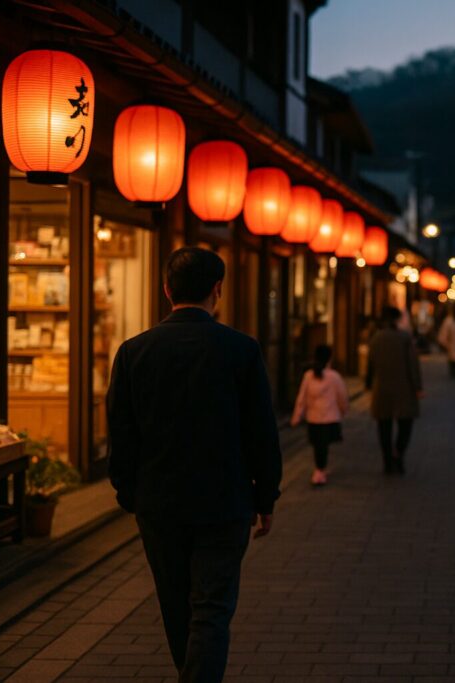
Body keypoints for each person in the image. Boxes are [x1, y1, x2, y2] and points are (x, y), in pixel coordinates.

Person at [108, 247, 282, 682]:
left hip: (159, 504)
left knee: (175, 603)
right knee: (211, 609)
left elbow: (121, 433)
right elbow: (262, 430)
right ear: (217, 290)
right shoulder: (240, 350)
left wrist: (129, 494)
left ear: (167, 290)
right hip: (225, 501)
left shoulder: (134, 352)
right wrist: (266, 496)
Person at [367, 305, 423, 474]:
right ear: (397, 320)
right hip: (404, 387)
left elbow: (370, 365)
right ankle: (398, 454)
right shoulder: (405, 338)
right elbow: (413, 365)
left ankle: (387, 460)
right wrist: (417, 387)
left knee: (384, 425)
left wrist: (369, 383)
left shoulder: (375, 338)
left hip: (381, 387)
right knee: (405, 423)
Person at [291, 344, 349, 487]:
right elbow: (342, 397)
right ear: (330, 358)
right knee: (323, 446)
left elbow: (301, 398)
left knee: (318, 446)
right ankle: (320, 471)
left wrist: (297, 416)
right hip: (330, 418)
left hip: (314, 418)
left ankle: (320, 470)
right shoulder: (334, 377)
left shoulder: (308, 376)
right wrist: (343, 410)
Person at [437, 304, 455, 379]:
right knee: (453, 359)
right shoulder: (448, 321)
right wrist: (446, 344)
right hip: (451, 345)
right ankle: (454, 371)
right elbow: (443, 334)